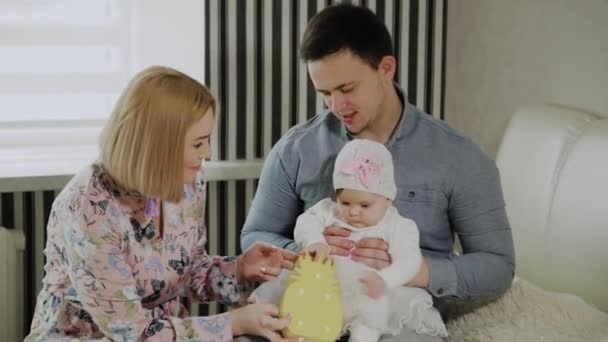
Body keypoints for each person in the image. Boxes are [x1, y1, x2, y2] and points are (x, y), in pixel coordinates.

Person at [241, 3, 515, 341]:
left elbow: (498, 266)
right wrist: (311, 254)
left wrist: (414, 271)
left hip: (395, 311)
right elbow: (255, 235)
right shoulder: (296, 149)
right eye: (325, 93)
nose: (336, 106)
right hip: (312, 301)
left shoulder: (459, 158)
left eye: (346, 89)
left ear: (386, 68)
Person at [25, 66, 300, 342]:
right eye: (198, 143)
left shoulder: (186, 182)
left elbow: (187, 269)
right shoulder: (88, 210)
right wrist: (234, 324)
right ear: (159, 145)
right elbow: (132, 334)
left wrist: (238, 269)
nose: (208, 153)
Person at [252, 139, 447, 341]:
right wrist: (315, 242)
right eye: (345, 202)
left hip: (371, 291)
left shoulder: (399, 226)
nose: (353, 211)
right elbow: (305, 222)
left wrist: (385, 279)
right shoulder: (328, 211)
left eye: (365, 205)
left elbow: (410, 261)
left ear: (388, 199)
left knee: (371, 317)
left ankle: (363, 335)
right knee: (297, 311)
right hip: (325, 288)